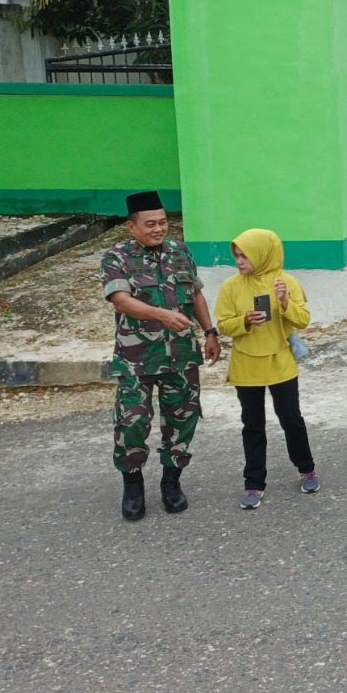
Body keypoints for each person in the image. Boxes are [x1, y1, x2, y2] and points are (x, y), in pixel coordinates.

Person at [101, 190, 221, 521]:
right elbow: (122, 301)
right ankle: (133, 483)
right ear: (132, 227)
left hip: (181, 355)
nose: (159, 228)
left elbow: (194, 293)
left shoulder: (180, 250)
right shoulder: (116, 258)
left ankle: (171, 482)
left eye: (163, 222)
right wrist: (162, 315)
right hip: (136, 358)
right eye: (151, 223)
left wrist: (210, 332)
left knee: (182, 420)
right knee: (132, 422)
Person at [214, 229, 317, 509]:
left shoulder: (286, 282)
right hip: (246, 364)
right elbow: (223, 324)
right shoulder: (231, 286)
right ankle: (254, 483)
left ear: (262, 254)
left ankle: (306, 468)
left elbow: (304, 319)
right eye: (236, 255)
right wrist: (245, 321)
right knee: (253, 425)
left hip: (280, 361)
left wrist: (284, 302)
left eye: (245, 255)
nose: (239, 261)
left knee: (291, 419)